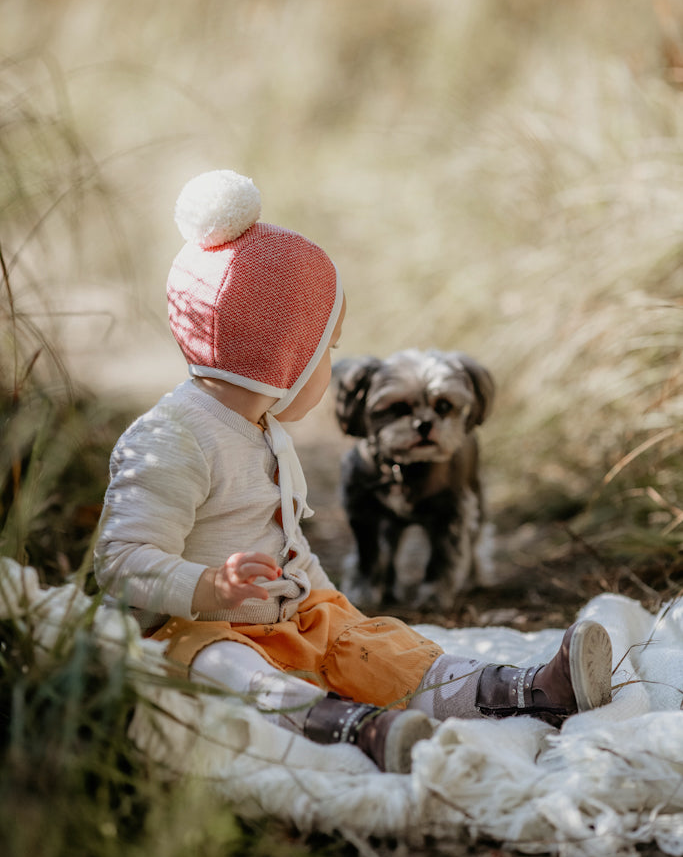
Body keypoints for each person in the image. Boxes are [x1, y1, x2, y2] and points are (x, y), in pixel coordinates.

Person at [95, 169, 613, 774]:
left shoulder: (265, 432)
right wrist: (208, 588)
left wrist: (328, 603)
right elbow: (119, 561)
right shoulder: (172, 439)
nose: (331, 368)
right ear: (283, 355)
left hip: (287, 619)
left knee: (381, 646)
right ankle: (349, 728)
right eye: (327, 351)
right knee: (226, 670)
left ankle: (524, 690)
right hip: (189, 630)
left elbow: (286, 546)